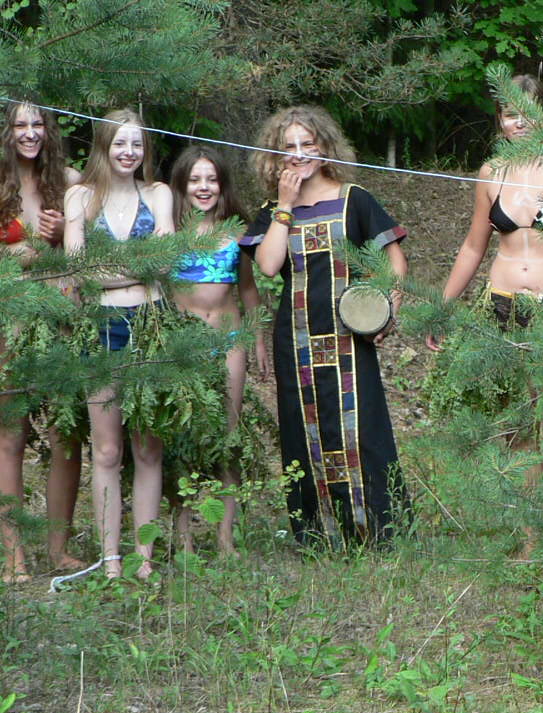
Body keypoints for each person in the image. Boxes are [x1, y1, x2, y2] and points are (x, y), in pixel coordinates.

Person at [241, 105, 408, 547]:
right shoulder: (272, 211)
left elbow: (393, 260)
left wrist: (387, 308)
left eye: (307, 143)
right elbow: (268, 265)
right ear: (275, 156)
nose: (299, 154)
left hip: (350, 339)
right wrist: (284, 205)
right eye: (289, 146)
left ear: (325, 147)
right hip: (294, 339)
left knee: (363, 429)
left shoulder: (354, 199)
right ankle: (320, 536)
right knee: (303, 429)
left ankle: (379, 531)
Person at [63, 109, 175, 580]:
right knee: (107, 450)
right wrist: (136, 269)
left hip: (151, 323)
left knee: (148, 447)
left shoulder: (158, 193)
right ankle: (110, 559)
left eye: (137, 144)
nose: (129, 152)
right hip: (101, 328)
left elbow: (165, 261)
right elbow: (78, 269)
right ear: (104, 146)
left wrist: (108, 271)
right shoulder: (81, 197)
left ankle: (143, 558)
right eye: (120, 143)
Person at [166, 147, 270, 556]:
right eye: (195, 180)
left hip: (228, 339)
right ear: (181, 185)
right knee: (181, 436)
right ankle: (184, 536)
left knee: (227, 435)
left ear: (222, 185)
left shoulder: (236, 232)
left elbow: (249, 290)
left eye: (211, 179)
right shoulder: (169, 232)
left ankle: (225, 536)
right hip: (182, 341)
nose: (204, 187)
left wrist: (256, 337)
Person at [0, 100, 83, 583]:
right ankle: (12, 554)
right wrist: (22, 252)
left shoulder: (68, 182)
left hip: (60, 314)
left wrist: (65, 233)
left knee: (64, 431)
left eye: (38, 124)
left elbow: (90, 249)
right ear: (7, 132)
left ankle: (58, 548)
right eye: (20, 124)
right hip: (9, 318)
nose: (30, 133)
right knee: (9, 434)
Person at [429, 73, 543, 341]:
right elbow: (473, 247)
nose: (520, 123)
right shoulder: (491, 173)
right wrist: (442, 308)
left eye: (529, 113)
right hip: (500, 302)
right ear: (500, 120)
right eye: (510, 115)